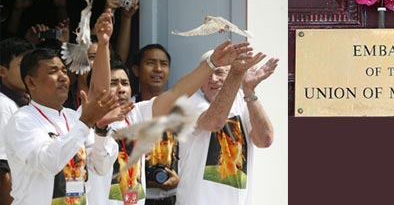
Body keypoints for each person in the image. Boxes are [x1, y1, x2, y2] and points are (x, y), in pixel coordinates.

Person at [86, 39, 253, 205]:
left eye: (125, 83)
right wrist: (103, 43)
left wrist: (212, 63)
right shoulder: (84, 122)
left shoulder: (137, 113)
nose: (121, 89)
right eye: (113, 83)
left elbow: (176, 93)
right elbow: (99, 165)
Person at [4, 10, 119, 205]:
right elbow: (48, 163)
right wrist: (85, 123)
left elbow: (101, 166)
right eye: (53, 71)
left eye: (64, 70)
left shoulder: (72, 117)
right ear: (31, 82)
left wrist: (100, 131)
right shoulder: (22, 120)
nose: (63, 77)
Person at [176, 51, 278, 205]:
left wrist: (249, 91)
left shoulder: (243, 102)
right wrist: (236, 76)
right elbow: (214, 122)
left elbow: (264, 140)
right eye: (207, 75)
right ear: (200, 85)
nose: (213, 79)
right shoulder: (189, 103)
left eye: (219, 72)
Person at [131, 44, 177, 204]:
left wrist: (181, 179)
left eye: (163, 64)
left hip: (173, 197)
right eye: (151, 63)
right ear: (136, 70)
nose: (158, 69)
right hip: (135, 198)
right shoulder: (127, 110)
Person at [0, 37, 34, 205]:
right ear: (2, 71)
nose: (29, 72)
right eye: (22, 66)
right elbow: (3, 171)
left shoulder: (26, 102)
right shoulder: (3, 105)